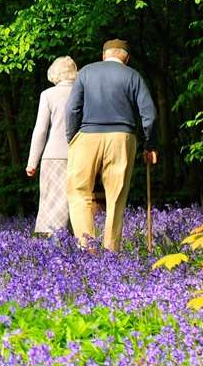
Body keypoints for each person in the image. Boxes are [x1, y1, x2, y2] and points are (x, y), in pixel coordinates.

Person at [66, 38, 158, 251]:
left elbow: (72, 109)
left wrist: (71, 137)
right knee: (116, 195)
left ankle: (86, 247)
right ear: (126, 58)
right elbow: (149, 115)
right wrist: (150, 145)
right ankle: (111, 251)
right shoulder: (133, 76)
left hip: (87, 136)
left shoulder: (86, 72)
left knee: (79, 192)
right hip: (121, 137)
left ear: (104, 55)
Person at [26, 56, 78, 235]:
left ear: (55, 74)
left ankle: (54, 246)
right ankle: (78, 245)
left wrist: (32, 162)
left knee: (53, 201)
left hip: (54, 156)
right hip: (80, 154)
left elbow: (40, 130)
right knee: (76, 200)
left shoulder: (48, 95)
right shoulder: (83, 93)